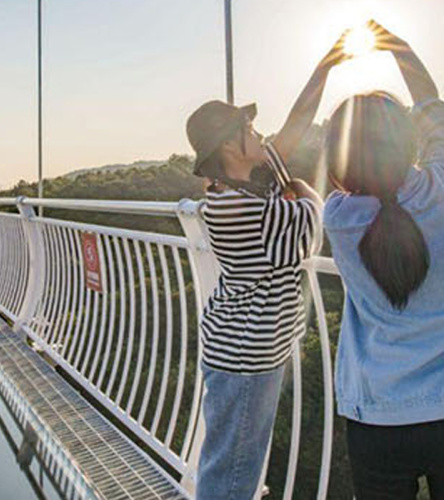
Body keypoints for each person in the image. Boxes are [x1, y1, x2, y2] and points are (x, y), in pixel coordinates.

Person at [185, 33, 349, 500]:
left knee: (232, 461)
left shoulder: (239, 189)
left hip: (242, 346)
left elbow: (293, 129)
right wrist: (302, 185)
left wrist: (324, 69)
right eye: (251, 131)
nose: (260, 135)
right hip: (247, 355)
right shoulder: (246, 211)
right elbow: (314, 220)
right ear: (232, 147)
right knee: (234, 472)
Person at [323, 20, 444, 499]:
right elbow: (434, 111)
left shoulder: (339, 217)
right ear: (406, 142)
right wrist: (401, 49)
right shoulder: (438, 191)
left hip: (376, 415)